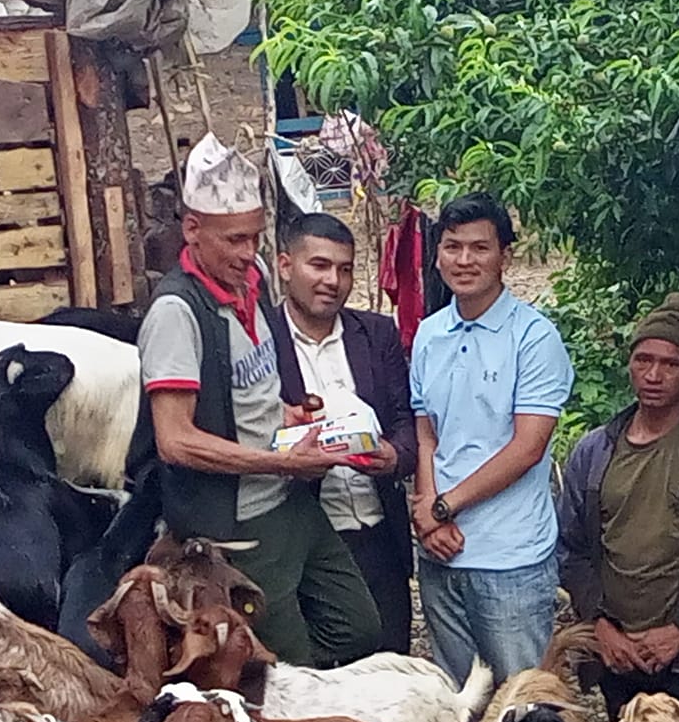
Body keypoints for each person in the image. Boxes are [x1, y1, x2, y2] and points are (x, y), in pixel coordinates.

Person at [138, 134, 381, 667]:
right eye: (233, 240)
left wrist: (288, 418)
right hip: (238, 526)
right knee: (290, 668)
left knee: (361, 628)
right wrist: (279, 461)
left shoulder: (254, 281)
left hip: (289, 504)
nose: (248, 254)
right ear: (193, 229)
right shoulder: (177, 313)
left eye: (254, 237)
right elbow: (175, 441)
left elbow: (249, 394)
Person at [557, 293, 679, 722]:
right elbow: (572, 549)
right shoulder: (595, 451)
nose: (654, 375)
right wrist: (600, 626)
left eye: (670, 364)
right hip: (617, 651)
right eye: (643, 360)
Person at [409, 193, 575, 682]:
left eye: (479, 248)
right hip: (440, 553)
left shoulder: (534, 338)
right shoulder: (429, 334)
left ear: (505, 255)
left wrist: (444, 508)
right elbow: (426, 434)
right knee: (459, 704)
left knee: (525, 702)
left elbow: (528, 448)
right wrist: (428, 514)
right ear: (437, 254)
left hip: (511, 559)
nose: (464, 260)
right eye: (453, 246)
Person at [264, 210, 417, 654]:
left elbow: (406, 420)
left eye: (344, 269)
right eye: (319, 265)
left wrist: (393, 456)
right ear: (285, 265)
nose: (333, 280)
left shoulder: (376, 334)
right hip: (305, 538)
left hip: (377, 533)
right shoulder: (258, 338)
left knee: (391, 669)